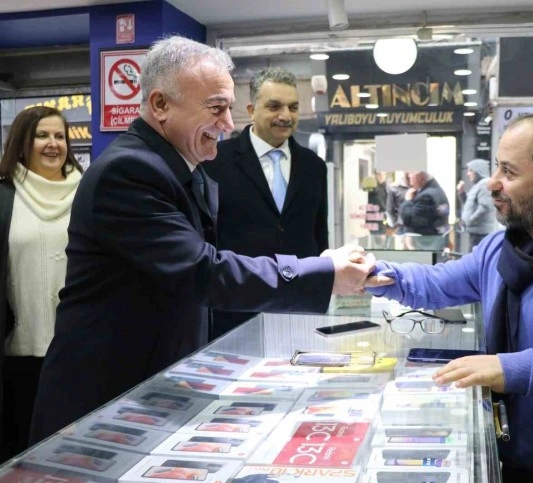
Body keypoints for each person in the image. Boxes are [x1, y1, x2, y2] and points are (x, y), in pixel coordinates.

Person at [29, 36, 386, 445]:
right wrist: (324, 273)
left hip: (153, 387)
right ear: (160, 105)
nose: (229, 125)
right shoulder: (128, 172)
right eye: (215, 109)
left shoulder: (185, 165)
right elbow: (203, 270)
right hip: (105, 397)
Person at [368, 113, 533, 482]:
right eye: (497, 168)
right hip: (508, 455)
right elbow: (436, 283)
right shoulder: (501, 247)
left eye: (509, 173)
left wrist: (506, 368)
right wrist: (374, 273)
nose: (492, 184)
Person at [205, 67, 329, 337]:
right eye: (274, 106)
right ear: (251, 109)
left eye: (293, 107)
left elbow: (319, 237)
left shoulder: (314, 167)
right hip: (236, 309)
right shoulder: (214, 162)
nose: (286, 116)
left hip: (300, 309)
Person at [0, 107, 83, 459]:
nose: (53, 144)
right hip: (16, 354)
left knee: (74, 454)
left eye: (60, 136)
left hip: (78, 352)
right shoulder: (5, 196)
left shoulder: (87, 193)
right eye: (42, 135)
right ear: (22, 142)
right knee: (19, 452)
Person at [456, 159, 498, 250]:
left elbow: (485, 207)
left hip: (481, 232)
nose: (468, 174)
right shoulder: (478, 185)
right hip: (477, 231)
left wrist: (470, 221)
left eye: (471, 170)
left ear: (479, 171)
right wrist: (462, 193)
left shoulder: (484, 184)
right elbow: (471, 205)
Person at [400, 170, 450, 235]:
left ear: (419, 177)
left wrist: (407, 200)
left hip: (424, 242)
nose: (411, 184)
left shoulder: (426, 196)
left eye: (410, 177)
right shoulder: (435, 190)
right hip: (433, 240)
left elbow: (408, 219)